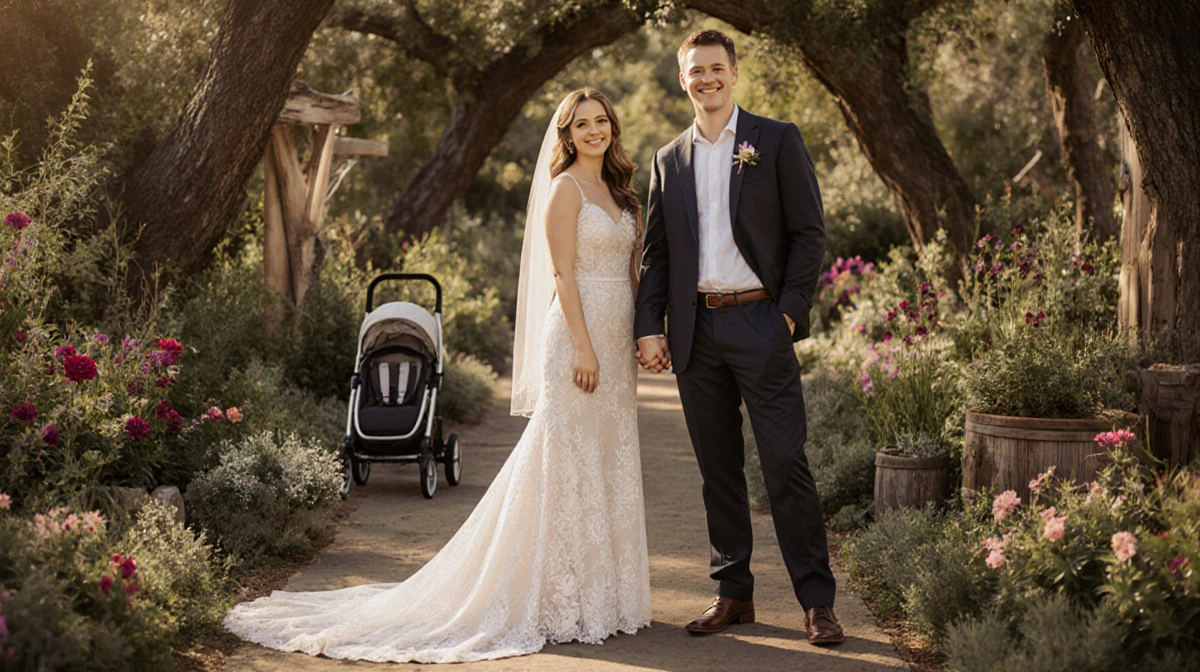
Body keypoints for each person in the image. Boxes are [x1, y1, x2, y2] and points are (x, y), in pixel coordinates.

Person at [224, 88, 650, 663]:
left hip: (617, 342)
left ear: (612, 128)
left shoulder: (623, 192)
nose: (594, 130)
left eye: (602, 121)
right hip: (577, 340)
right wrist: (583, 346)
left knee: (606, 459)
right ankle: (554, 597)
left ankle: (604, 596)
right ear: (567, 134)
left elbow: (633, 273)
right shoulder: (566, 190)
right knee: (564, 460)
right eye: (582, 123)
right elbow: (562, 275)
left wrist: (647, 336)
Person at [634, 29, 843, 645]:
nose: (707, 79)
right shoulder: (668, 159)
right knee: (718, 469)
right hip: (697, 330)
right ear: (683, 79)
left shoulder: (774, 140)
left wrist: (788, 313)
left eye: (716, 68)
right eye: (695, 70)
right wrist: (650, 326)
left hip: (760, 321)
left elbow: (810, 232)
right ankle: (733, 594)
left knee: (785, 463)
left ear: (733, 73)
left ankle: (817, 601)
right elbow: (657, 254)